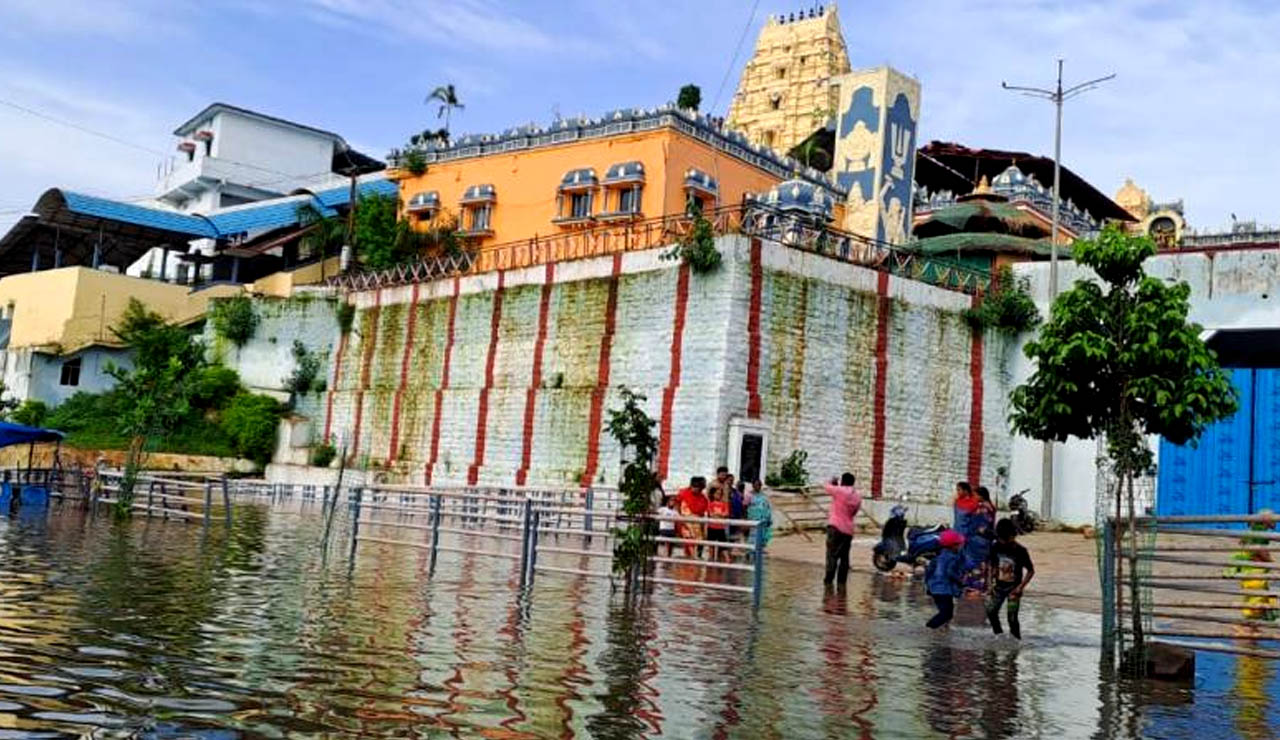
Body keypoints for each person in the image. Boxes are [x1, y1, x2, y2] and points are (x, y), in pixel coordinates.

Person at [986, 518, 1035, 638]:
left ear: (1012, 536)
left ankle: (1016, 641)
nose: (1002, 541)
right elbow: (993, 566)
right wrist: (989, 583)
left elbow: (1030, 571)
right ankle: (999, 636)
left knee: (1012, 618)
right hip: (998, 587)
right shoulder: (995, 547)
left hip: (1014, 590)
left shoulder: (1020, 551)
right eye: (1000, 539)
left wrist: (1020, 587)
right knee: (991, 612)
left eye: (1004, 539)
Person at [823, 472, 863, 589]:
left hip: (835, 527)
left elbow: (826, 486)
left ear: (843, 481)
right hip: (848, 529)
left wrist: (833, 481)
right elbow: (854, 513)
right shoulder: (857, 496)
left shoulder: (840, 491)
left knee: (832, 555)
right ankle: (841, 583)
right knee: (844, 557)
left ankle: (828, 581)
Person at [926, 529, 967, 629]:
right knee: (947, 614)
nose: (960, 546)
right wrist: (960, 582)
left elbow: (929, 572)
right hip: (944, 590)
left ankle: (943, 630)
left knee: (945, 612)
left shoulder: (938, 556)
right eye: (958, 545)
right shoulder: (952, 557)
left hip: (934, 588)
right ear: (953, 546)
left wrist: (928, 586)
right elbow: (950, 572)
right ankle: (929, 628)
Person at [676, 476, 709, 558]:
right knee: (689, 543)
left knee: (699, 542)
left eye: (698, 487)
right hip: (686, 522)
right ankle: (691, 561)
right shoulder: (683, 493)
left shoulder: (703, 498)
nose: (696, 489)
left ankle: (696, 558)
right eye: (694, 486)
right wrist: (680, 517)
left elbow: (703, 513)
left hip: (697, 524)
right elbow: (677, 505)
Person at [746, 480, 773, 551]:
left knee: (762, 537)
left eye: (759, 485)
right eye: (756, 485)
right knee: (753, 537)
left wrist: (769, 518)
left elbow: (767, 507)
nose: (757, 486)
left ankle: (759, 552)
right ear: (753, 485)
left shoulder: (764, 496)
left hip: (763, 520)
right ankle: (750, 553)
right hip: (753, 519)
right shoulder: (749, 495)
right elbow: (745, 506)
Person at [706, 486, 731, 562]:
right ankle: (711, 560)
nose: (718, 495)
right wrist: (720, 514)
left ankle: (727, 559)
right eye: (717, 494)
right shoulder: (710, 504)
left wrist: (718, 514)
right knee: (711, 545)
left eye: (720, 494)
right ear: (713, 494)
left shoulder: (724, 504)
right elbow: (711, 514)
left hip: (720, 527)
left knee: (723, 544)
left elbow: (726, 514)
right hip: (712, 527)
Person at [728, 479, 748, 543]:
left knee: (737, 531)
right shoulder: (734, 493)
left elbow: (744, 506)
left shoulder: (743, 494)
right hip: (733, 514)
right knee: (733, 531)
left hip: (738, 514)